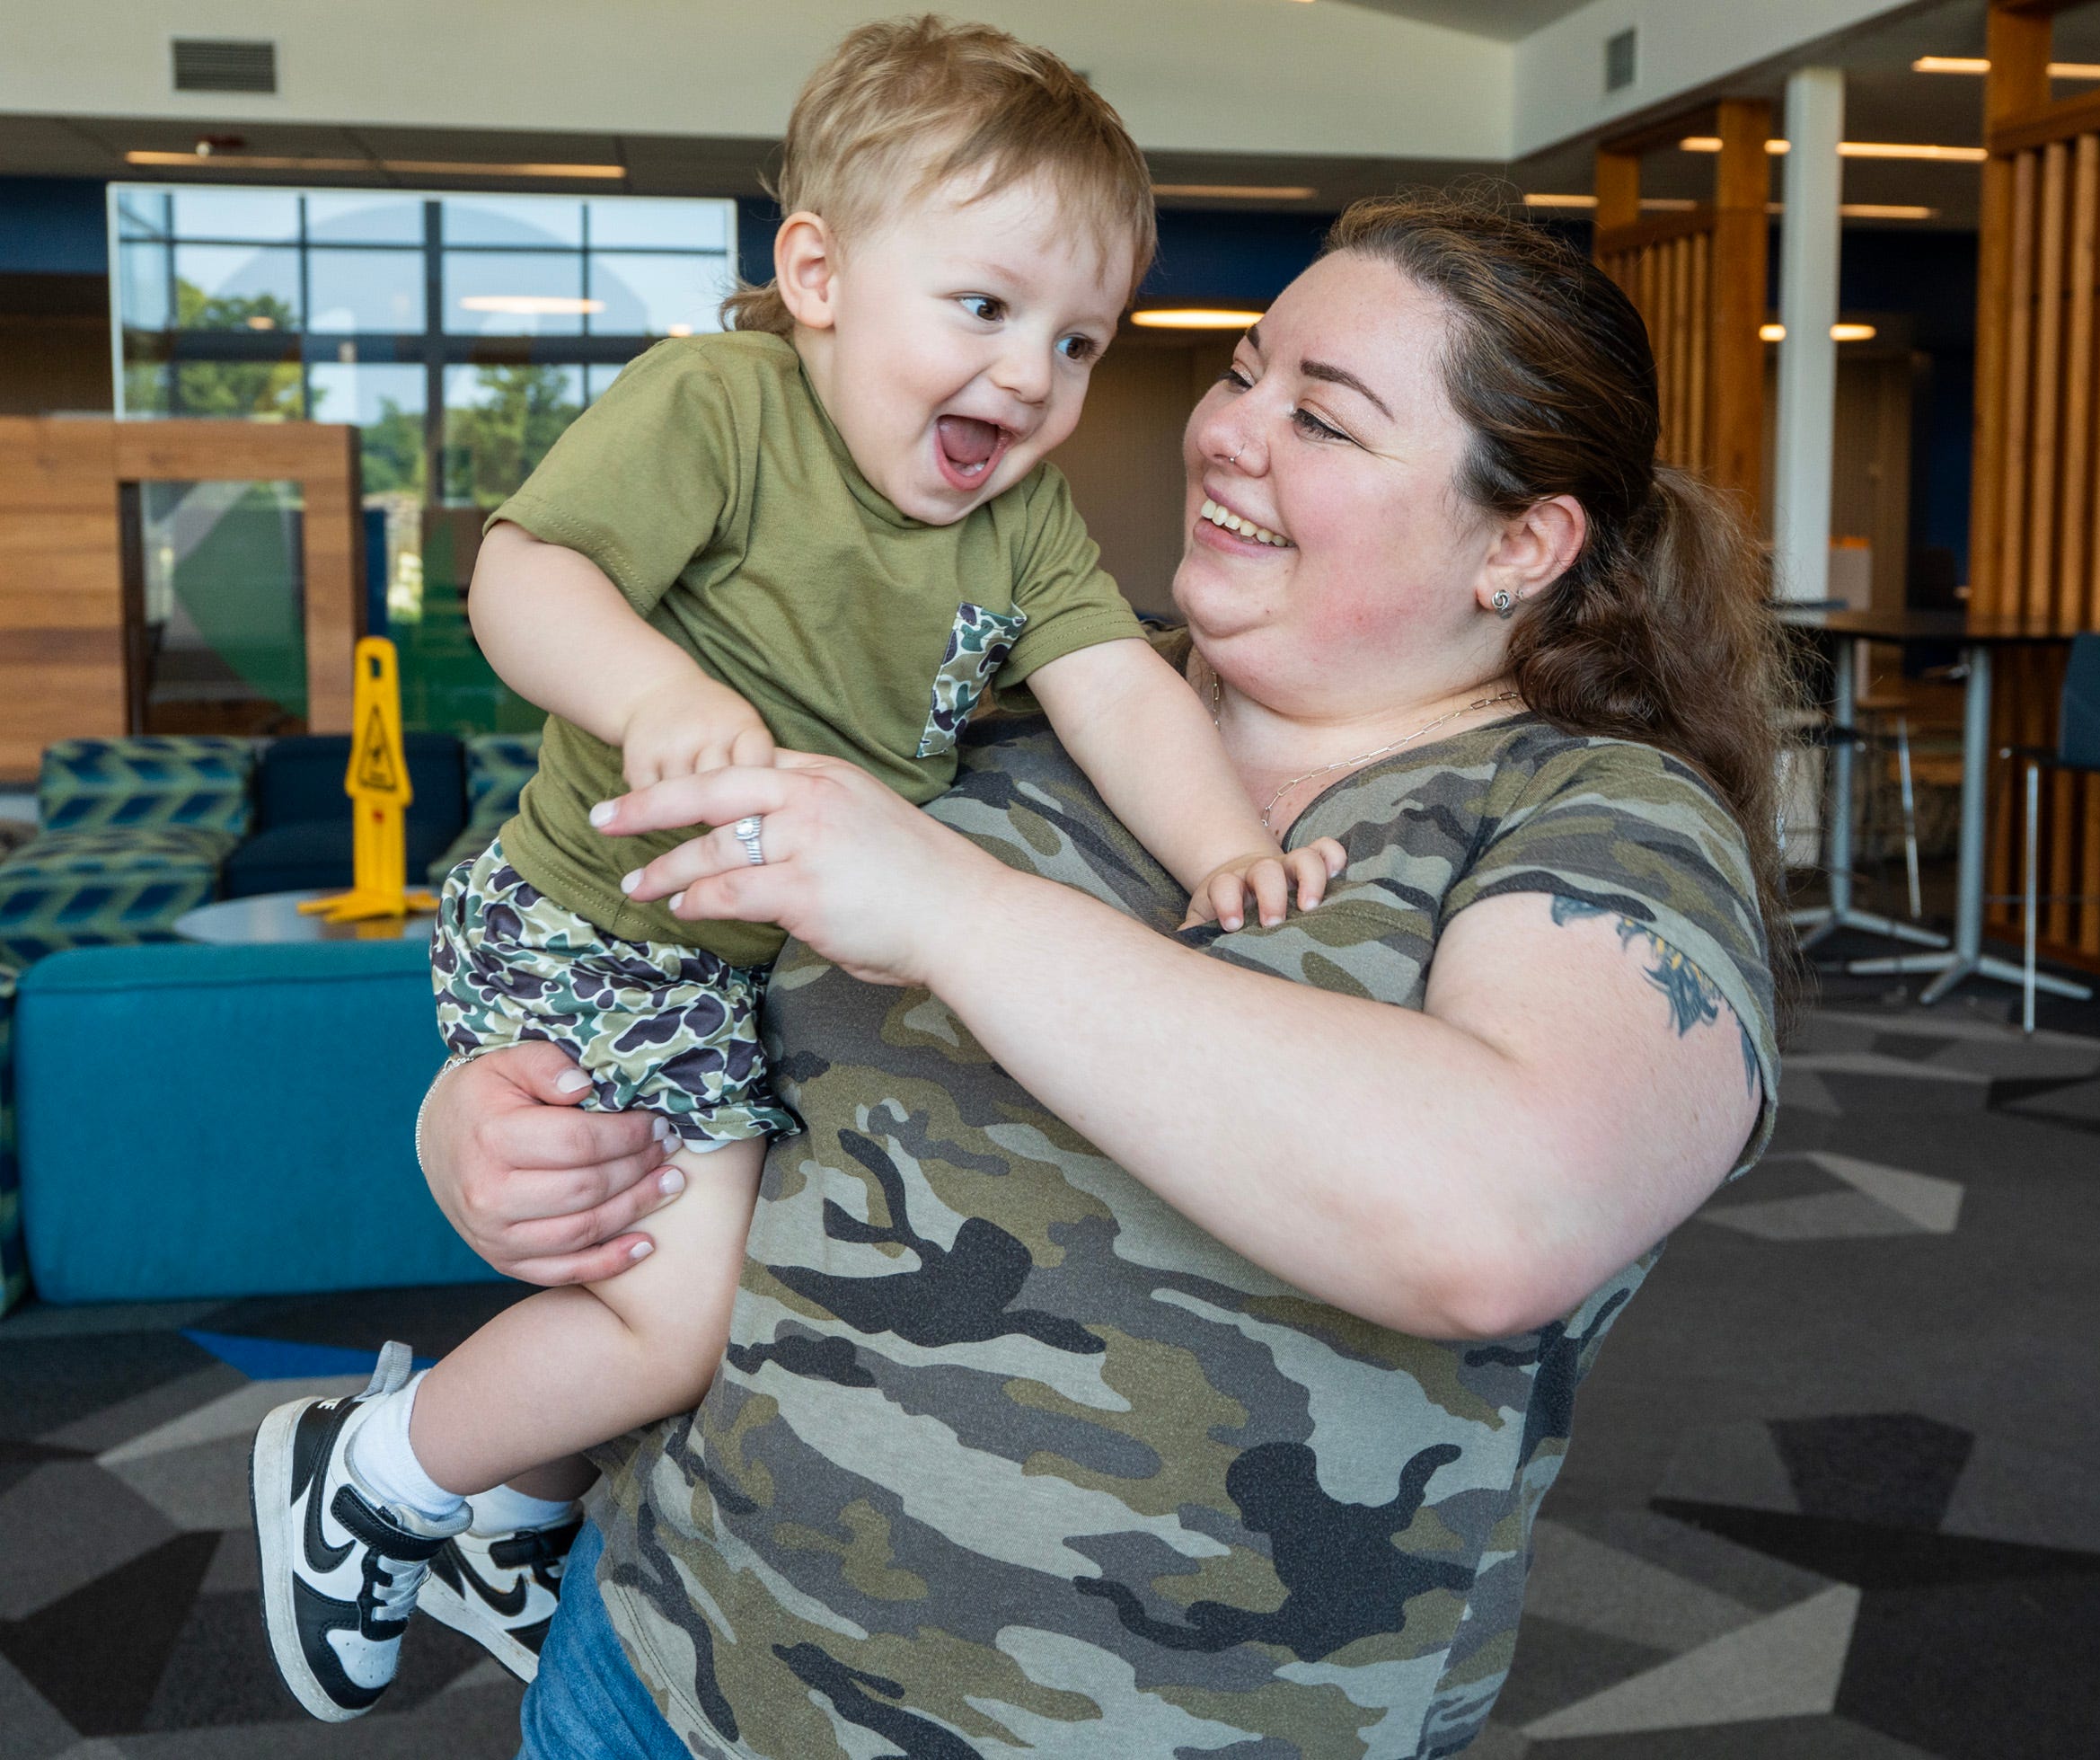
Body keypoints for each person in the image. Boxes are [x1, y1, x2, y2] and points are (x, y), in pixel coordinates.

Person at [419, 190, 1793, 1759]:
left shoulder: (1597, 818)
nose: (1228, 434)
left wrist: (953, 912)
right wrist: (484, 1123)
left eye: (1323, 420)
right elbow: (618, 925)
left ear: (1521, 542)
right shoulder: (993, 694)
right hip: (665, 1674)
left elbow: (1498, 1216)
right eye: (1244, 370)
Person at [248, 16, 1343, 1726]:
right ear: (819, 274)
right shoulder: (724, 406)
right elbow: (520, 579)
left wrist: (1226, 847)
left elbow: (1116, 684)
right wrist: (659, 693)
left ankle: (518, 1508)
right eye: (981, 309)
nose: (1030, 378)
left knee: (730, 1267)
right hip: (610, 927)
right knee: (673, 1327)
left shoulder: (1020, 522)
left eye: (1077, 340)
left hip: (748, 972)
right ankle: (373, 1470)